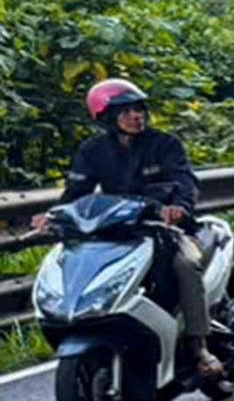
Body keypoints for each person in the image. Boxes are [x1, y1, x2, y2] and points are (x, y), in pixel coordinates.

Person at [55, 78, 225, 380]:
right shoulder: (92, 151)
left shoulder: (164, 144)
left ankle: (199, 346)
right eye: (126, 111)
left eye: (139, 109)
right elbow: (76, 192)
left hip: (169, 230)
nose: (136, 116)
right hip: (122, 234)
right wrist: (54, 215)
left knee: (185, 265)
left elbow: (185, 182)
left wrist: (180, 207)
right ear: (107, 118)